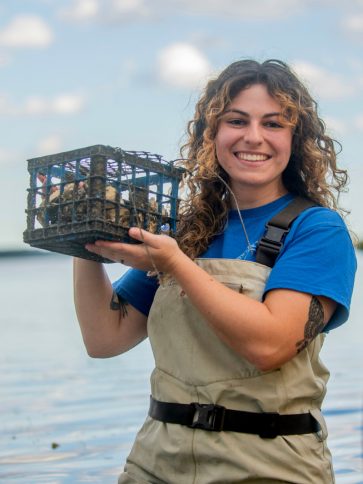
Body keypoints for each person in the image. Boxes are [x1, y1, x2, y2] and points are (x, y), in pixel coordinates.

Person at [74, 59, 357, 483]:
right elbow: (104, 337)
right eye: (236, 121)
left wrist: (175, 266)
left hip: (266, 467)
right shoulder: (189, 234)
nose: (254, 137)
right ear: (212, 134)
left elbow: (270, 345)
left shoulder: (316, 229)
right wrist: (86, 237)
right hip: (156, 464)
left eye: (274, 124)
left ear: (296, 139)